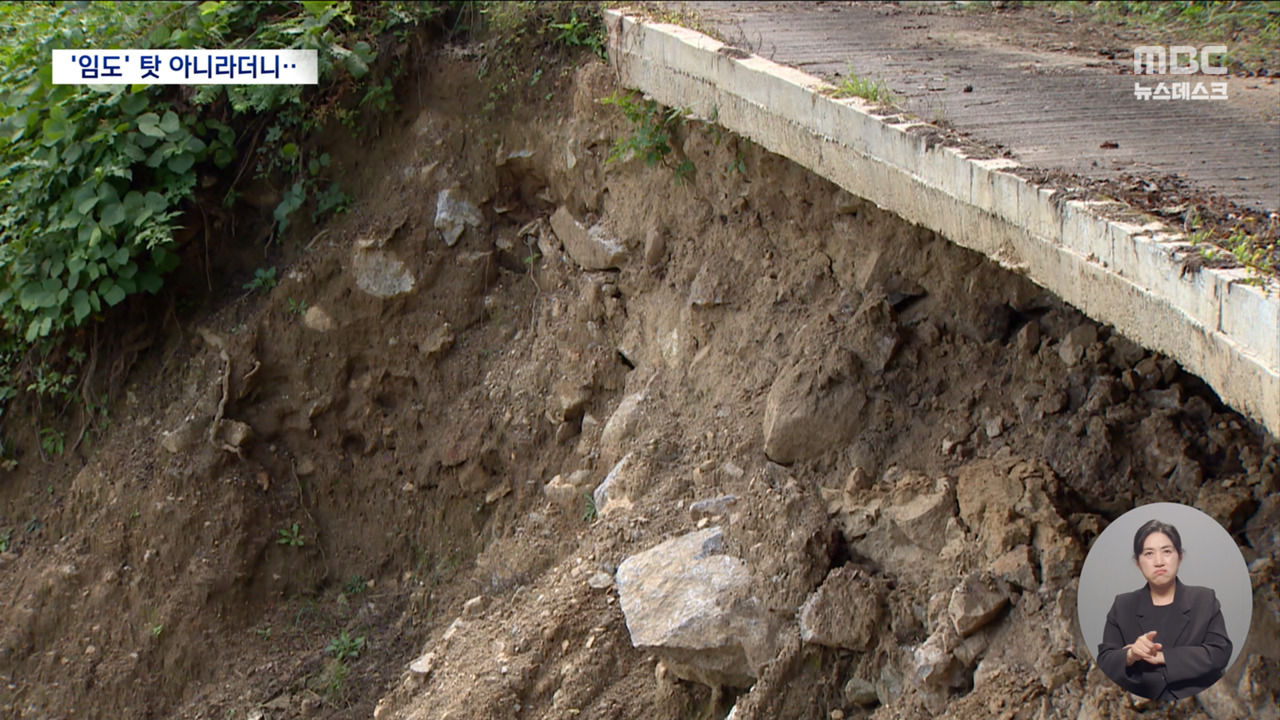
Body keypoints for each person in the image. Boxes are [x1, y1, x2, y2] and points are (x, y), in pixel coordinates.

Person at [1096, 519, 1232, 700]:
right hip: (1141, 702)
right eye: (1149, 554)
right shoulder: (1123, 605)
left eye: (1167, 551)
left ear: (1180, 556)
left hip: (1197, 700)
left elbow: (1220, 653)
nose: (1159, 562)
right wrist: (1131, 654)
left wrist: (1163, 657)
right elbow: (1105, 660)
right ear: (1138, 562)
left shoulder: (1204, 599)